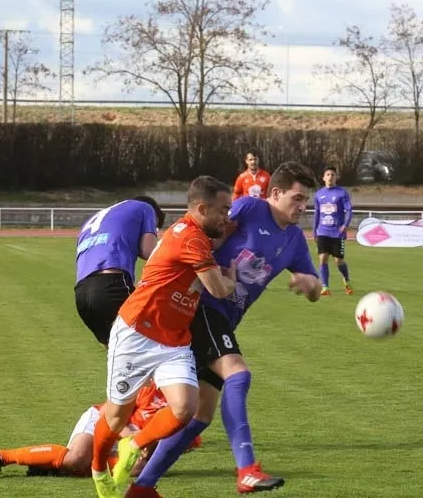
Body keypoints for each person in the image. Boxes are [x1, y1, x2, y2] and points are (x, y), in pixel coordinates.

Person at [126, 161, 322, 498]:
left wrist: (310, 284)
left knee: (200, 416)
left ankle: (142, 486)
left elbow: (316, 291)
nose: (303, 207)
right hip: (203, 306)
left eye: (306, 201)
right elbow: (202, 229)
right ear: (274, 194)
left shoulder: (294, 240)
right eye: (297, 198)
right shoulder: (248, 208)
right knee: (238, 374)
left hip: (226, 319)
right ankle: (247, 470)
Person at [89, 175, 237, 498]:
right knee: (115, 416)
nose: (228, 217)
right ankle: (98, 466)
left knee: (185, 408)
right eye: (224, 210)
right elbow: (217, 289)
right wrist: (232, 280)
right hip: (136, 333)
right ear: (201, 209)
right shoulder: (190, 238)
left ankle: (135, 444)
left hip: (173, 339)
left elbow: (225, 235)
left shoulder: (196, 234)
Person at [0, 382, 201, 479]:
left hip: (131, 445)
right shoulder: (148, 389)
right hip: (106, 421)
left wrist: (146, 449)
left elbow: (167, 451)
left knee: (137, 469)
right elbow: (109, 415)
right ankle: (0, 456)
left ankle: (55, 468)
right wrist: (133, 437)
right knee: (76, 458)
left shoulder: (188, 417)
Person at [75, 197, 166, 346]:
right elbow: (149, 252)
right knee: (153, 343)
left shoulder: (98, 218)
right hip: (112, 285)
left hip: (82, 294)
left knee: (116, 352)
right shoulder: (146, 208)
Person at [313, 166, 354, 296]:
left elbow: (349, 210)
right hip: (323, 232)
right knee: (323, 258)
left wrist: (345, 225)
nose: (330, 177)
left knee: (338, 261)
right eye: (328, 174)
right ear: (323, 178)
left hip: (337, 232)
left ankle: (346, 281)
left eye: (333, 174)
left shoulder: (342, 193)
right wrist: (314, 231)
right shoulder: (319, 194)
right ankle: (325, 287)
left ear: (336, 177)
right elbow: (317, 213)